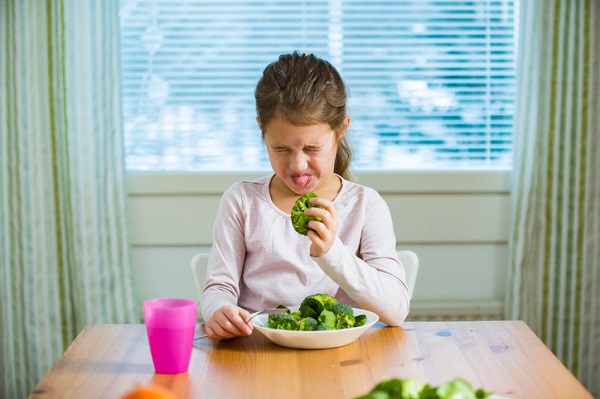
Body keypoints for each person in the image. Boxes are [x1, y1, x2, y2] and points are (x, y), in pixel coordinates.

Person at [199, 51, 409, 339]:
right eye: (281, 149)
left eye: (312, 149)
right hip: (257, 354)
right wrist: (217, 309)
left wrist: (331, 253)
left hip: (343, 361)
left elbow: (396, 309)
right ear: (262, 129)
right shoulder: (241, 201)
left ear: (341, 130)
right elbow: (218, 289)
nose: (298, 165)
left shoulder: (365, 206)